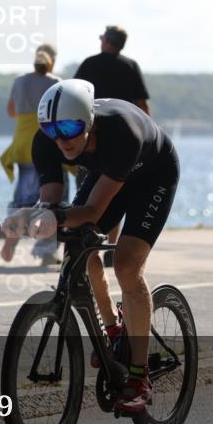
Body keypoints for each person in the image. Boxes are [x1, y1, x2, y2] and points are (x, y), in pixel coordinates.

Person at [1, 79, 180, 414]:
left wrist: (46, 219)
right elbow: (52, 206)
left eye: (69, 127)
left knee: (126, 265)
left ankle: (139, 379)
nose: (62, 139)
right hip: (108, 174)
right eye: (52, 129)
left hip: (152, 175)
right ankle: (113, 328)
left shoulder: (121, 131)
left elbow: (93, 212)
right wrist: (29, 217)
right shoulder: (47, 143)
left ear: (89, 122)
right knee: (77, 253)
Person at [74, 25, 151, 265]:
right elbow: (142, 106)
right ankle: (108, 246)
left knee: (86, 195)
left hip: (90, 138)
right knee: (114, 193)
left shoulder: (89, 63)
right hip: (122, 139)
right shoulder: (130, 66)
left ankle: (87, 244)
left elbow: (73, 96)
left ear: (106, 41)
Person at [0, 44, 63, 265]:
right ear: (52, 61)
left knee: (23, 195)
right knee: (53, 199)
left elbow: (10, 111)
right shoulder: (56, 83)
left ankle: (12, 234)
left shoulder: (19, 81)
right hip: (46, 141)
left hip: (23, 142)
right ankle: (46, 250)